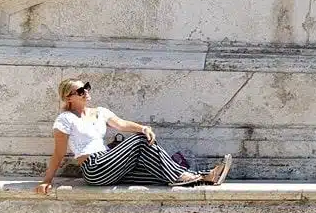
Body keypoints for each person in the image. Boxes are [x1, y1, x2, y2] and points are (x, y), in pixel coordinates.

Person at [34, 78, 231, 194]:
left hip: (110, 163)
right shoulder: (65, 119)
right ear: (69, 97)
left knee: (154, 171)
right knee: (139, 140)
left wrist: (143, 127)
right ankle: (186, 175)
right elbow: (58, 154)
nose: (85, 91)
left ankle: (203, 177)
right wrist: (47, 180)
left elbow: (121, 124)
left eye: (86, 87)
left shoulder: (100, 111)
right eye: (80, 90)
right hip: (94, 168)